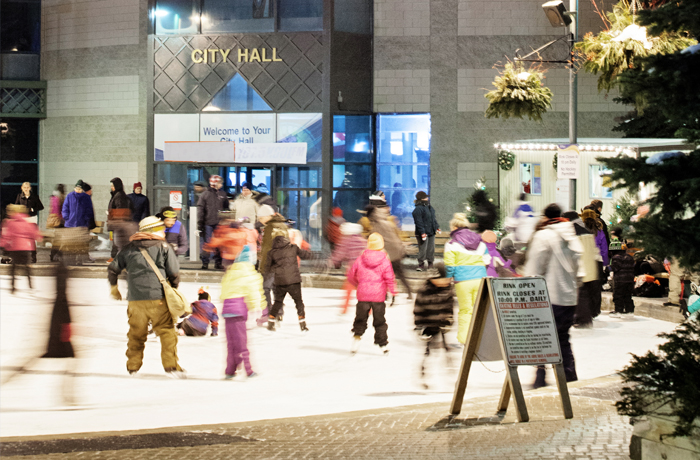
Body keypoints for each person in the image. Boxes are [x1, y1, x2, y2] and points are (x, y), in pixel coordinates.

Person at [108, 216, 185, 378]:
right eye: (160, 228)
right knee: (166, 332)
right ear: (152, 230)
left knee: (136, 333)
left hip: (135, 300)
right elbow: (174, 273)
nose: (164, 230)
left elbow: (113, 268)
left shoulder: (128, 248)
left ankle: (133, 367)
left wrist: (114, 287)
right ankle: (171, 366)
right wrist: (173, 289)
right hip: (158, 298)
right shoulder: (164, 247)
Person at [523, 203, 582, 388]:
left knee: (542, 335)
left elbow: (535, 267)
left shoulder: (544, 235)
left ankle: (540, 376)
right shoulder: (573, 236)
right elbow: (580, 269)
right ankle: (569, 374)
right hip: (569, 297)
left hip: (548, 295)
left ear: (545, 216)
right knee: (563, 336)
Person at [346, 233, 397, 354]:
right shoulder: (384, 260)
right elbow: (389, 278)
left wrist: (358, 284)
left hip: (363, 295)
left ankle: (356, 340)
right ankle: (383, 343)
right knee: (379, 320)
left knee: (360, 319)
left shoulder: (360, 258)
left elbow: (351, 274)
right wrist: (393, 292)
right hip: (378, 297)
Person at [444, 213, 490, 344]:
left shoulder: (452, 243)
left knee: (466, 310)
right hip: (480, 278)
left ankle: (465, 340)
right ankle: (482, 339)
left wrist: (449, 278)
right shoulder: (480, 240)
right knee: (479, 310)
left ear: (454, 227)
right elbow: (487, 260)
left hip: (463, 280)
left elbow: (450, 265)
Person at [220, 246, 265, 379]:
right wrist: (257, 307)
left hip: (227, 311)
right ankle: (248, 370)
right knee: (241, 342)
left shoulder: (230, 272)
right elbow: (254, 292)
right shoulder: (251, 274)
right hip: (239, 312)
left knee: (231, 342)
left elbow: (224, 290)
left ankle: (230, 370)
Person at [413, 263, 455, 388]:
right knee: (428, 352)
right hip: (428, 325)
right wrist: (419, 326)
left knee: (446, 350)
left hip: (441, 324)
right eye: (445, 279)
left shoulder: (447, 290)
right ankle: (423, 376)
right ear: (434, 278)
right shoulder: (424, 291)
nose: (448, 281)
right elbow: (418, 310)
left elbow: (450, 308)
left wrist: (449, 320)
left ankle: (452, 375)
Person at [265, 234, 314, 332]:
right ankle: (302, 323)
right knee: (298, 302)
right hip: (294, 281)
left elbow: (268, 268)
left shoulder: (271, 253)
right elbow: (304, 255)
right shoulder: (293, 248)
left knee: (278, 302)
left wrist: (277, 269)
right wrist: (312, 255)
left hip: (280, 281)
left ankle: (270, 322)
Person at [563, 211, 602, 328]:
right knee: (587, 293)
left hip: (580, 267)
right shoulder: (586, 230)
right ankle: (586, 317)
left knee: (581, 294)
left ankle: (583, 320)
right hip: (591, 267)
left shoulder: (573, 231)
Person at [366, 204, 412, 299]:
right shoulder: (386, 221)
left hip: (389, 252)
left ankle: (385, 294)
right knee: (398, 273)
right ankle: (409, 292)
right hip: (395, 250)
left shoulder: (378, 225)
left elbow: (376, 238)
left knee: (383, 274)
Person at [257, 204, 289, 324]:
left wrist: (263, 264)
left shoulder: (271, 227)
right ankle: (278, 312)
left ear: (267, 216)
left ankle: (270, 312)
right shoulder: (282, 225)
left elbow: (267, 249)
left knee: (265, 288)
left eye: (261, 218)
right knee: (277, 288)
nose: (260, 221)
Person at [1, 205, 42, 293]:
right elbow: (33, 233)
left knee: (13, 268)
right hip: (26, 248)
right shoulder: (27, 221)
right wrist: (39, 237)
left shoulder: (10, 222)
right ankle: (31, 286)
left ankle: (13, 288)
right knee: (27, 268)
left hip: (15, 248)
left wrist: (4, 245)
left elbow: (7, 236)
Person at [330, 222, 368, 314]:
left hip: (353, 269)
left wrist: (333, 261)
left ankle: (344, 309)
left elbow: (340, 252)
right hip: (363, 268)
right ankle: (369, 310)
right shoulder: (362, 240)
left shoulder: (346, 239)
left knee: (348, 289)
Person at [197, 176, 228, 269]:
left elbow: (226, 208)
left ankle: (218, 262)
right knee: (207, 243)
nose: (221, 185)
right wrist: (200, 224)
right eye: (220, 183)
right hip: (208, 223)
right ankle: (205, 262)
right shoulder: (205, 194)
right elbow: (201, 210)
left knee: (220, 243)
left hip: (220, 223)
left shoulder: (223, 194)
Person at [107, 177, 136, 262]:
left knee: (118, 243)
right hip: (117, 224)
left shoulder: (119, 196)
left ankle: (118, 260)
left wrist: (112, 215)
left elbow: (121, 211)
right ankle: (117, 259)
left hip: (119, 224)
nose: (111, 187)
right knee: (117, 243)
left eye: (112, 186)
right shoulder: (117, 195)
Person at [15, 182, 44, 263]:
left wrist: (33, 209)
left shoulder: (34, 196)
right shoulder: (19, 196)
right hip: (23, 219)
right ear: (22, 188)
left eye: (27, 187)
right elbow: (16, 206)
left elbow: (41, 206)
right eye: (24, 187)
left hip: (32, 218)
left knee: (32, 238)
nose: (26, 189)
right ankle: (23, 256)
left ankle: (33, 257)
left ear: (30, 188)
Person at [412, 191, 440, 271]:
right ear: (422, 198)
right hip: (423, 233)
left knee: (431, 248)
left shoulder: (429, 207)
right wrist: (422, 232)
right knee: (423, 249)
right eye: (425, 197)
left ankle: (430, 263)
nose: (427, 198)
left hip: (431, 231)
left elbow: (433, 219)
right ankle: (421, 264)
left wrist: (436, 227)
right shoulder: (418, 209)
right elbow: (419, 222)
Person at [609, 239, 636, 318]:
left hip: (620, 280)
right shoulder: (629, 257)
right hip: (630, 280)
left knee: (618, 295)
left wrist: (606, 268)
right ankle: (629, 311)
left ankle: (619, 310)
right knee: (627, 295)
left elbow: (615, 267)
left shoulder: (616, 257)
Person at [47, 184, 66, 261]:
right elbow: (57, 211)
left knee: (58, 239)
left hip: (57, 221)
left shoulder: (53, 198)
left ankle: (56, 254)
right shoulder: (58, 198)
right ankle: (56, 254)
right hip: (59, 221)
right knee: (58, 239)